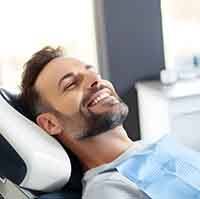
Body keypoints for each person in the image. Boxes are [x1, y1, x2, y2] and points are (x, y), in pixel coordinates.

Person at [20, 46, 200, 199]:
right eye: (71, 84)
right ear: (51, 123)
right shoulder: (107, 190)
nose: (95, 80)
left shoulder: (155, 146)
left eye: (93, 72)